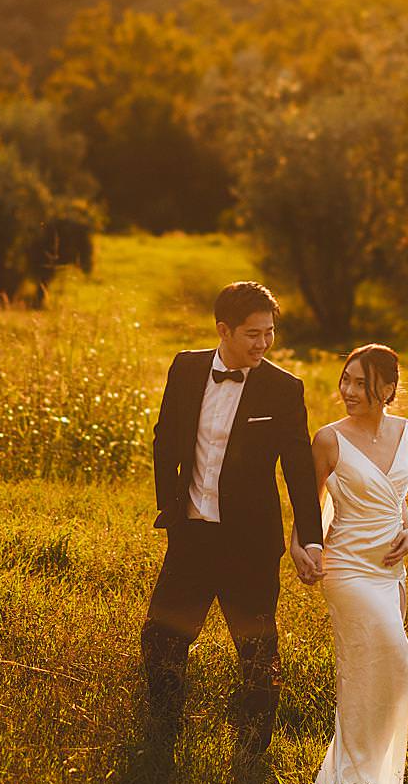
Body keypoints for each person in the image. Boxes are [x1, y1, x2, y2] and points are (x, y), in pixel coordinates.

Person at [138, 281, 325, 742]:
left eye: (270, 332)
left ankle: (255, 743)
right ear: (223, 330)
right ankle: (164, 728)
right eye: (252, 334)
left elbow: (299, 468)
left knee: (257, 648)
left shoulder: (284, 389)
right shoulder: (185, 368)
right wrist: (170, 509)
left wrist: (312, 536)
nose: (264, 343)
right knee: (162, 638)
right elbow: (164, 441)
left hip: (251, 544)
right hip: (192, 535)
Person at [310, 342, 408, 784]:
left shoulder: (405, 430)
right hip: (348, 569)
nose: (349, 391)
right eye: (346, 380)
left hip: (391, 570)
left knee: (379, 677)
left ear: (388, 389)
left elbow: (399, 495)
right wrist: (302, 548)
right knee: (395, 661)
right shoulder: (329, 439)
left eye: (361, 383)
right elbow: (307, 506)